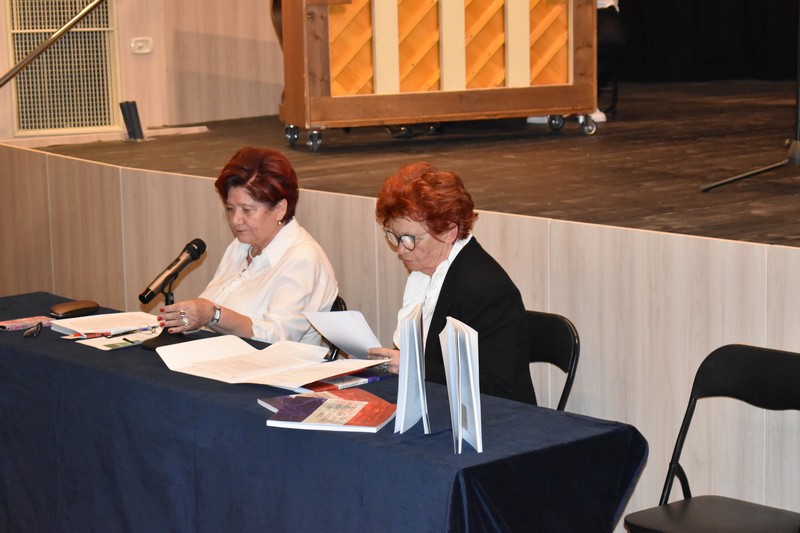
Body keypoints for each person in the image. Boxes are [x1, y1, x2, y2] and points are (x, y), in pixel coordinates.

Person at [367, 162, 536, 404]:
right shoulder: (425, 273)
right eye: (394, 236)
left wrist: (414, 368)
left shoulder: (485, 288)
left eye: (409, 239)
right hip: (440, 405)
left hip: (497, 418)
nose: (401, 250)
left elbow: (496, 389)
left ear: (448, 232)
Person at [158, 147, 338, 345]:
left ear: (280, 209)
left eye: (247, 210)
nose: (236, 220)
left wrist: (213, 314)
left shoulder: (303, 258)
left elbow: (278, 337)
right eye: (230, 208)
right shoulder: (240, 246)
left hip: (272, 362)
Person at [528, 0, 627, 124]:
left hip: (599, 8)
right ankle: (543, 100)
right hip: (548, 7)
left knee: (612, 39)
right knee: (540, 29)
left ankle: (586, 99)